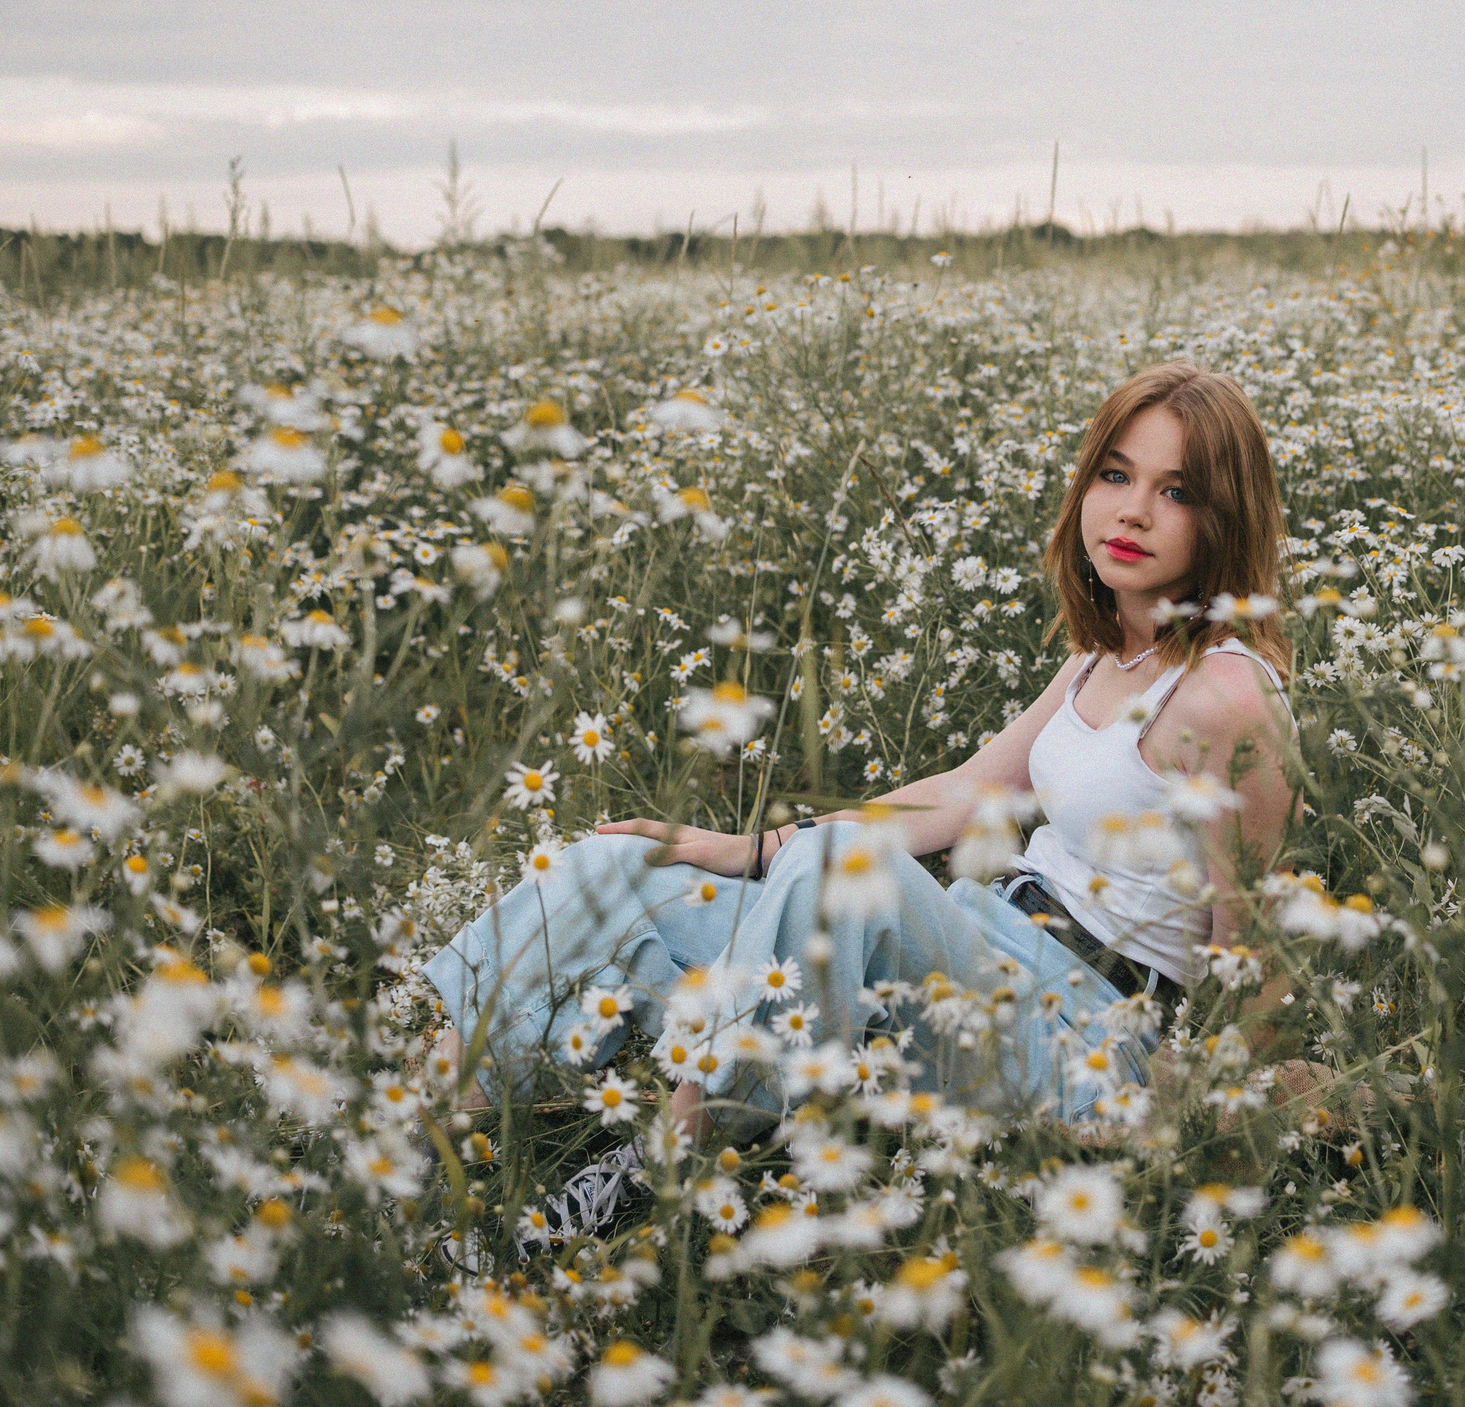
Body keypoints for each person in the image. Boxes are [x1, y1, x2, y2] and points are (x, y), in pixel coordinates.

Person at [419, 362, 1313, 1248]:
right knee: (619, 866)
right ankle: (433, 1136)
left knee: (840, 866)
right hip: (977, 945)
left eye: (1177, 490)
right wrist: (746, 846)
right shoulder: (1103, 658)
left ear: (1224, 516)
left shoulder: (1226, 699)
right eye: (1115, 474)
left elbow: (1254, 949)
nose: (1132, 510)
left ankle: (659, 1172)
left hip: (1082, 1036)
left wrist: (1211, 1133)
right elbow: (963, 795)